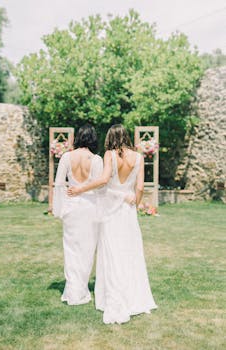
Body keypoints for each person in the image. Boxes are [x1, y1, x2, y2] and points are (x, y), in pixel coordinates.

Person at [68, 124, 158, 324]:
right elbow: (141, 187)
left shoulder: (109, 155)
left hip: (111, 211)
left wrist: (80, 189)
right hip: (127, 211)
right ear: (126, 136)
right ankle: (135, 297)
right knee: (130, 252)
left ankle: (113, 297)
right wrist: (134, 202)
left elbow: (103, 180)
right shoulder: (139, 158)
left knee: (112, 252)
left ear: (110, 137)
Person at [53, 124, 103, 305]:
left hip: (72, 207)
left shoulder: (67, 156)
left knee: (71, 248)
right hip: (89, 207)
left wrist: (59, 208)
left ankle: (73, 289)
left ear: (78, 138)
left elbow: (59, 183)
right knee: (87, 249)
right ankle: (79, 288)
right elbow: (100, 187)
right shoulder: (96, 159)